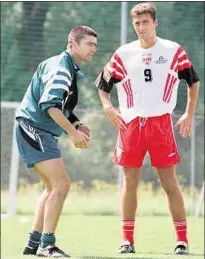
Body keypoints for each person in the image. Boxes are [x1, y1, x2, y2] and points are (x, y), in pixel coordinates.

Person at [94, 2, 200, 255]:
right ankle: (127, 240)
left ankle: (182, 240)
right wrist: (108, 107)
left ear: (155, 23)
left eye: (145, 22)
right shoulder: (123, 53)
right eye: (137, 23)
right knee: (130, 183)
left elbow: (193, 81)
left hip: (161, 124)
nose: (141, 28)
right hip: (130, 125)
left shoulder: (173, 51)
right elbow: (103, 85)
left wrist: (189, 112)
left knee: (169, 183)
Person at [15, 25, 97, 257]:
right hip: (33, 128)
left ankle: (33, 244)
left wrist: (77, 123)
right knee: (61, 185)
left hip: (34, 128)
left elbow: (59, 104)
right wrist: (72, 132)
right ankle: (47, 245)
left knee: (52, 188)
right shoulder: (61, 69)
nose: (93, 49)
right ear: (73, 43)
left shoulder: (64, 66)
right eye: (89, 44)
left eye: (95, 45)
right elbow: (49, 105)